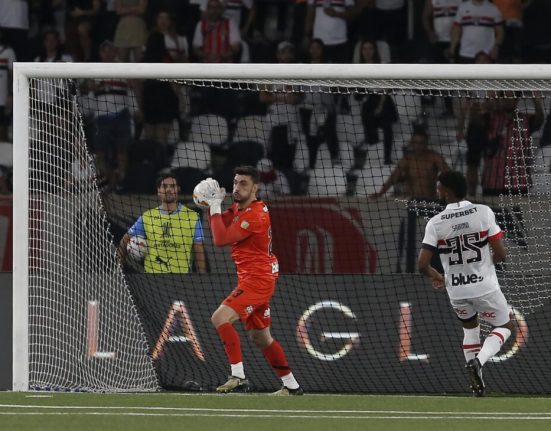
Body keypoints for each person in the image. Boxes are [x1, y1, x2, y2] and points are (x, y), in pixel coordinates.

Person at [196, 166, 302, 395]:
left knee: (220, 318)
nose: (237, 187)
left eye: (243, 183)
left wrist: (214, 206)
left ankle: (238, 376)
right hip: (254, 277)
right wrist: (207, 203)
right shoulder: (239, 207)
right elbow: (220, 223)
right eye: (235, 182)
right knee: (260, 337)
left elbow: (220, 239)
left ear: (255, 188)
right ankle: (292, 386)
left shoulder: (256, 215)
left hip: (258, 280)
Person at [418, 170, 513, 396]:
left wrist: (437, 276)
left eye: (439, 186)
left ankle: (476, 387)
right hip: (484, 286)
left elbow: (422, 264)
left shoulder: (435, 223)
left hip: (457, 290)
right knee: (506, 327)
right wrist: (485, 262)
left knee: (470, 329)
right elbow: (501, 255)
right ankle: (478, 362)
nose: (436, 190)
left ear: (447, 192)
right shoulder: (483, 212)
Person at [118, 174, 206, 273]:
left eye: (172, 186)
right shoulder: (148, 216)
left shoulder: (192, 217)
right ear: (158, 191)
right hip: (152, 280)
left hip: (182, 278)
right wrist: (119, 268)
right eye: (164, 186)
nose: (168, 189)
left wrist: (201, 277)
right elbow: (125, 240)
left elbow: (199, 249)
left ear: (178, 189)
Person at [370, 131, 449, 200]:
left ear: (426, 143)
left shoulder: (434, 157)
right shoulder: (407, 159)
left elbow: (449, 174)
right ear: (412, 143)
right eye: (416, 143)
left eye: (421, 143)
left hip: (429, 199)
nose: (418, 146)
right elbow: (393, 177)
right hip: (410, 199)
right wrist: (381, 193)